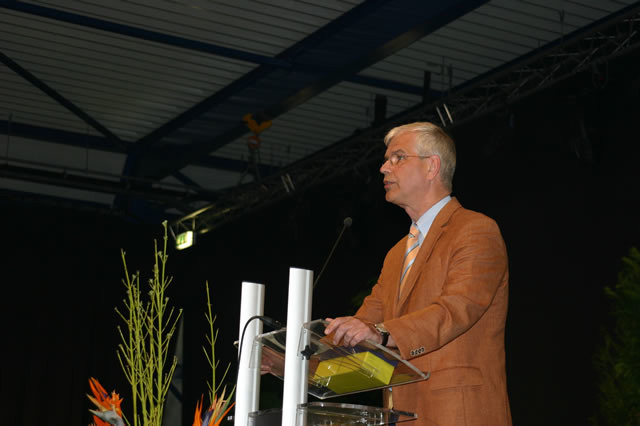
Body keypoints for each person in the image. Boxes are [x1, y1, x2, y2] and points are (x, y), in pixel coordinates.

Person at [324, 122, 511, 425]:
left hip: (458, 414)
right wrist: (289, 362)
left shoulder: (476, 230)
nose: (384, 168)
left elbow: (456, 310)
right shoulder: (397, 254)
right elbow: (363, 324)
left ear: (431, 167)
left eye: (398, 157)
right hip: (402, 416)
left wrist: (383, 334)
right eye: (386, 160)